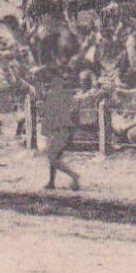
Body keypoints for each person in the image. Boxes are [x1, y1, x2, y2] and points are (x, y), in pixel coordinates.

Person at [37, 64, 81, 192]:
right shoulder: (61, 91)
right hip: (63, 128)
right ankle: (51, 182)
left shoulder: (53, 94)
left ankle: (74, 176)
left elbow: (47, 113)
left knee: (51, 155)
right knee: (54, 156)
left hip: (60, 128)